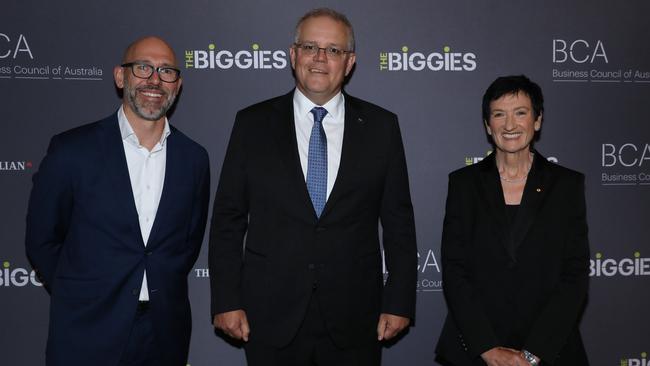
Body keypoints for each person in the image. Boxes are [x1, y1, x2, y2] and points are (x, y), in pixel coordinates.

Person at [209, 8, 417, 366]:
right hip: (270, 315)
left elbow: (399, 223)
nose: (321, 58)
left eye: (333, 50)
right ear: (293, 55)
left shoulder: (382, 127)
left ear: (349, 62)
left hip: (355, 318)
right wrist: (227, 299)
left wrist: (398, 301)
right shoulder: (252, 124)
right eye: (310, 47)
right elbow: (228, 219)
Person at [25, 36, 210, 366]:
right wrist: (79, 293)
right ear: (120, 76)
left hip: (164, 333)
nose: (154, 79)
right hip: (86, 331)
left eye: (166, 71)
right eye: (143, 68)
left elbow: (187, 245)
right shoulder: (72, 150)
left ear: (177, 85)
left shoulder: (193, 158)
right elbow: (42, 239)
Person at [435, 75, 590, 366]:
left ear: (538, 120)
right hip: (477, 349)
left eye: (520, 113)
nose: (509, 125)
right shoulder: (463, 184)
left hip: (551, 350)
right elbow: (455, 271)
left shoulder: (566, 185)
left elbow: (575, 275)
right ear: (487, 125)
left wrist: (533, 354)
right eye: (499, 115)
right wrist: (489, 350)